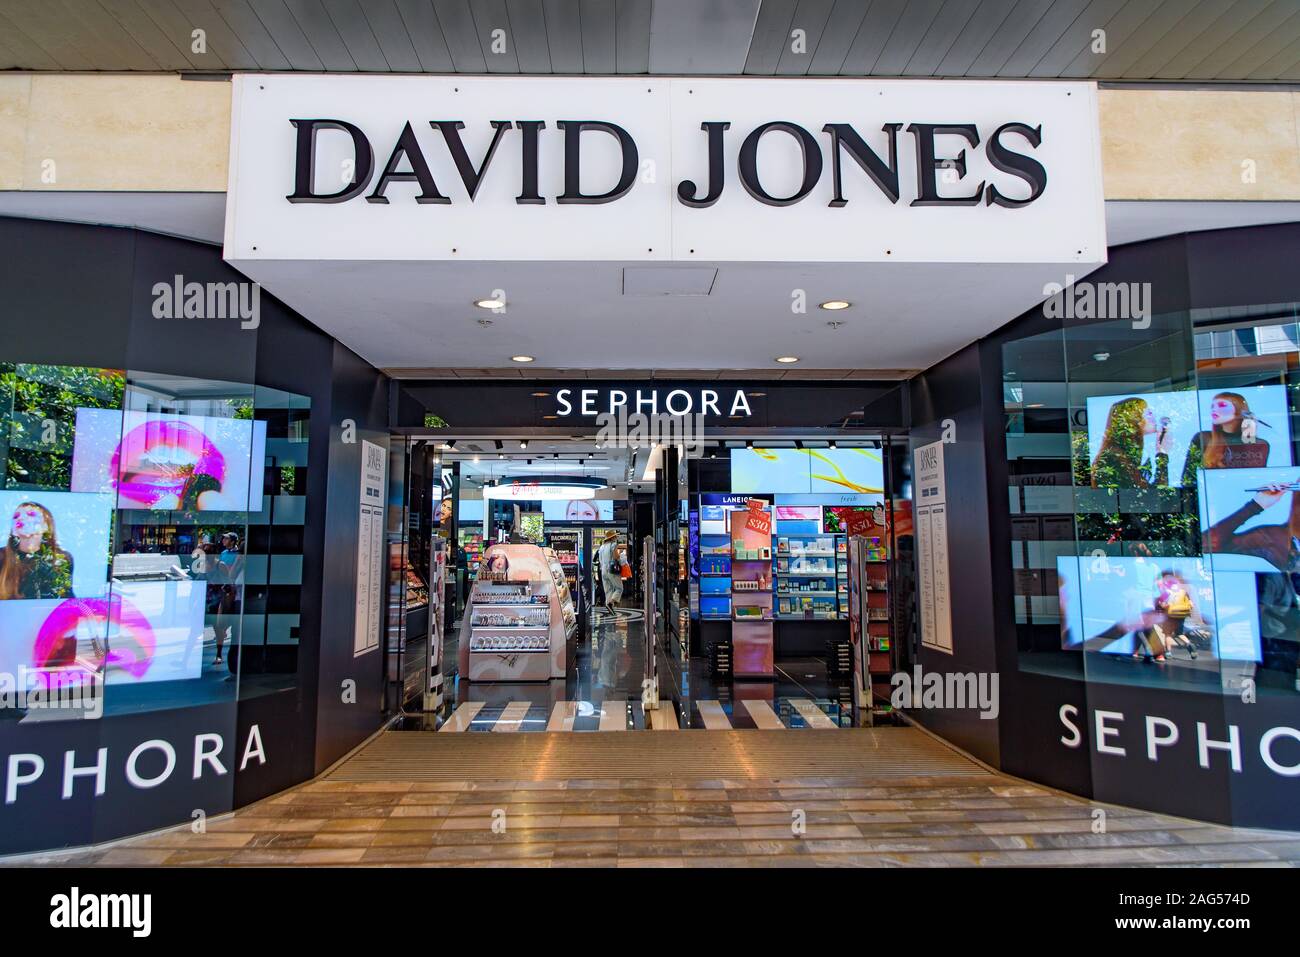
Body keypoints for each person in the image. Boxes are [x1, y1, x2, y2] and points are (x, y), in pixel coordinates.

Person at [1180, 391, 1270, 485]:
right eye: (1212, 407)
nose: (1214, 410)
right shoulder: (1203, 438)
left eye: (1222, 405)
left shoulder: (1261, 444)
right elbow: (1187, 479)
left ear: (1239, 410)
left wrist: (1249, 430)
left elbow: (1256, 478)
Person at [0, 501, 75, 600]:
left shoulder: (61, 558)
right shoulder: (2, 556)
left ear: (46, 526)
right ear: (13, 531)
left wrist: (88, 613)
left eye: (31, 514)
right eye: (16, 516)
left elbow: (66, 597)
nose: (20, 518)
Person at [1091, 397, 1171, 488]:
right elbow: (1154, 495)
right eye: (1148, 413)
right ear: (1134, 420)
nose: (1153, 416)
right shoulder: (1116, 458)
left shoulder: (1120, 455)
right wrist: (1162, 453)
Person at [211, 531, 244, 666]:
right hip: (225, 590)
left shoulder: (238, 555)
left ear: (232, 540)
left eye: (226, 538)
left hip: (233, 590)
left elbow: (230, 572)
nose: (223, 540)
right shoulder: (223, 554)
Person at [596, 531, 623, 613]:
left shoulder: (601, 547)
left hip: (603, 570)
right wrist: (620, 556)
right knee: (619, 588)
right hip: (611, 569)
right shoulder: (613, 544)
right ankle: (611, 602)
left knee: (608, 589)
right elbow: (615, 556)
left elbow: (600, 560)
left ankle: (608, 604)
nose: (616, 538)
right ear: (612, 538)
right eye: (614, 536)